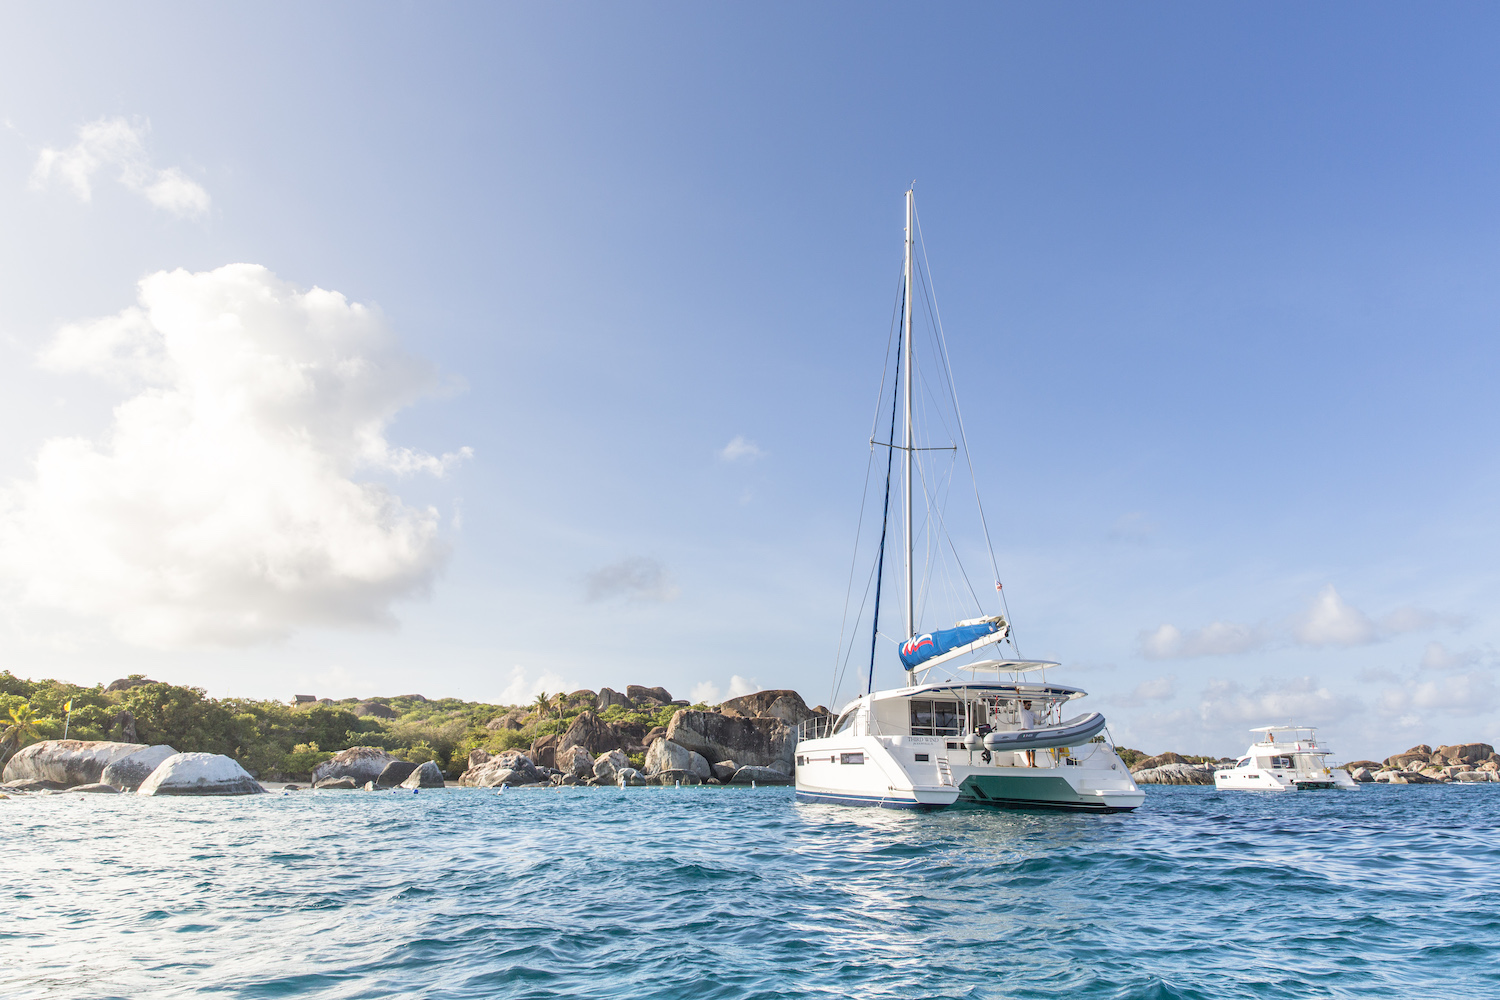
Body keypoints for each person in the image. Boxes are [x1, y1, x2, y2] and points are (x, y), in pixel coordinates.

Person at [1019, 699, 1037, 767]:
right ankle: (1029, 763)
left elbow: (1040, 718)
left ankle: (1033, 763)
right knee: (1027, 748)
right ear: (1025, 705)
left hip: (1032, 731)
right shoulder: (1022, 711)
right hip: (1025, 730)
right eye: (1028, 705)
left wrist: (1047, 715)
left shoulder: (1032, 713)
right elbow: (1019, 702)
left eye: (1030, 705)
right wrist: (1018, 693)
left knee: (1033, 748)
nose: (1029, 706)